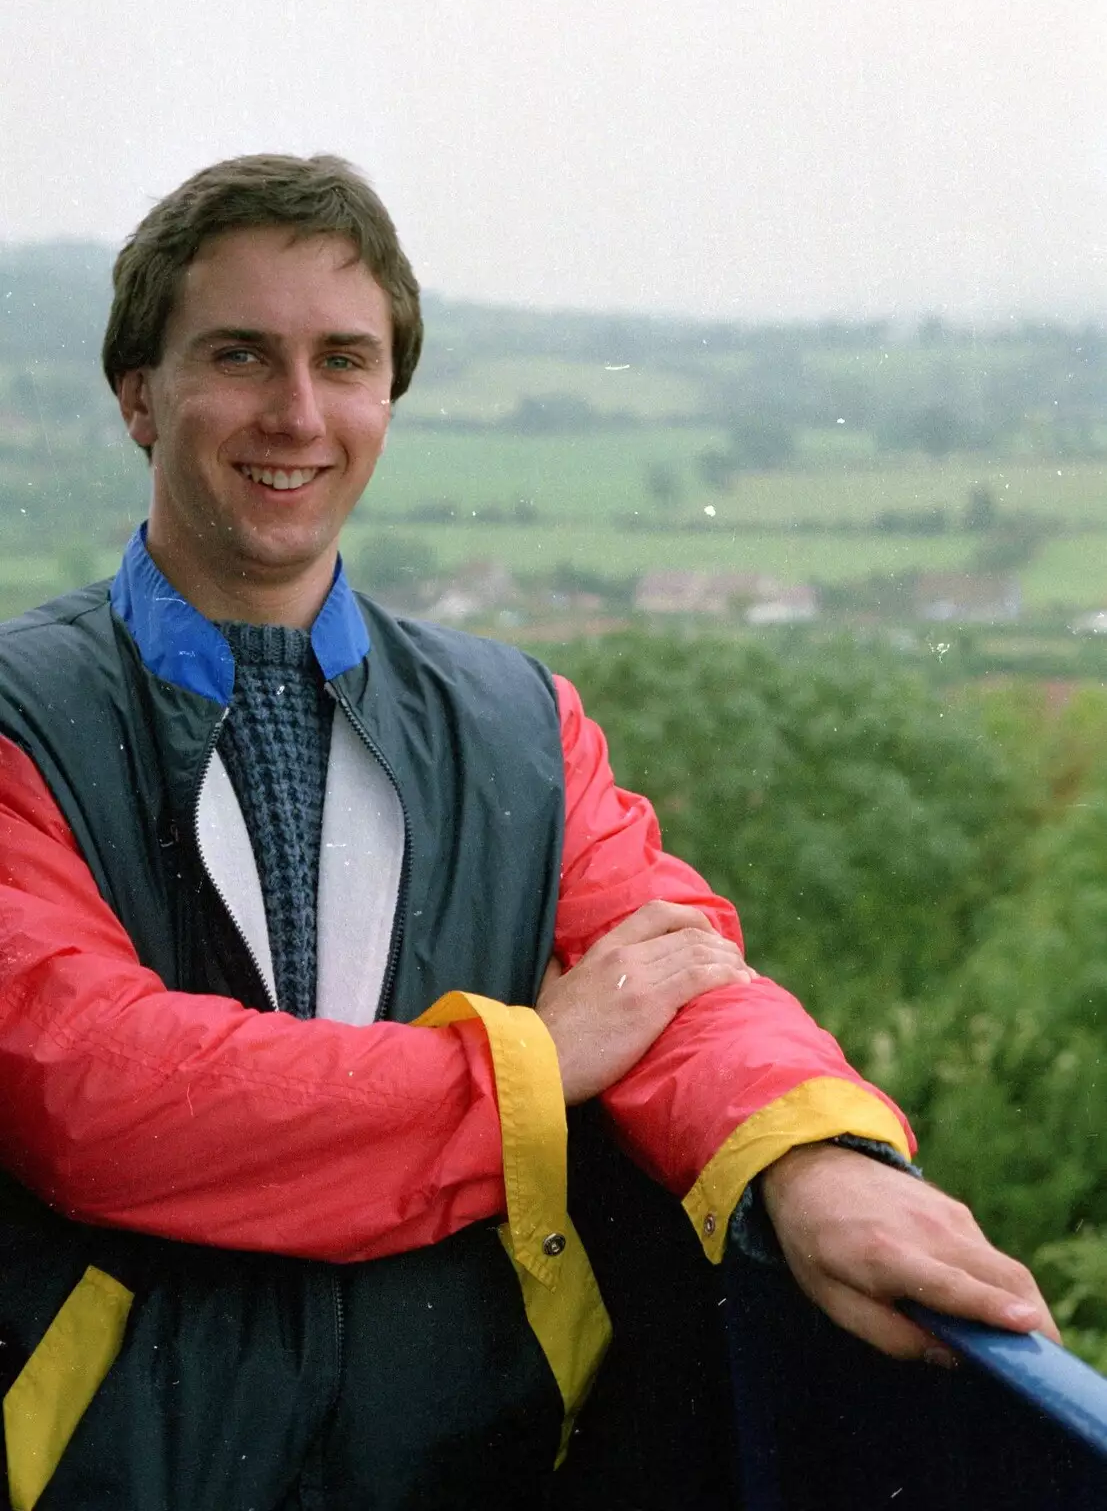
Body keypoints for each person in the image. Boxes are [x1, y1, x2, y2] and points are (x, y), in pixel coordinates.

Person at [0, 154, 1054, 1511]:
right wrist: (537, 1062)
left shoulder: (515, 721)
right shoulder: (21, 717)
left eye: (347, 362)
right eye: (240, 355)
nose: (299, 412)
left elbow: (678, 980)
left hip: (467, 1472)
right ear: (139, 395)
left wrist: (814, 1165)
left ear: (391, 396)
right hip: (104, 1475)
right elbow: (96, 1094)